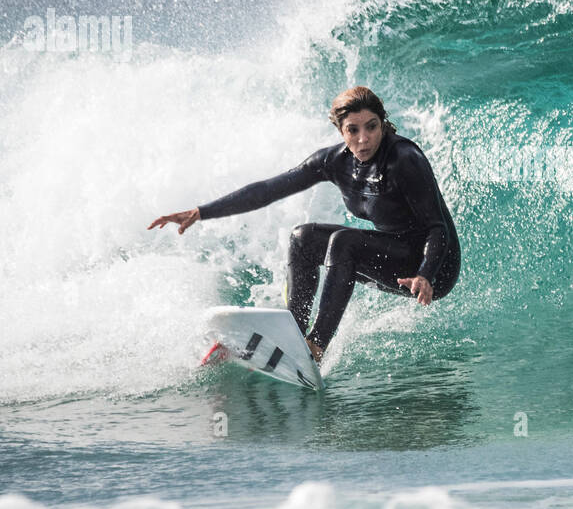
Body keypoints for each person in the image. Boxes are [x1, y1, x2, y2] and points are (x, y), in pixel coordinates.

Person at [148, 86, 460, 365]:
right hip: (395, 253)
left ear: (383, 123)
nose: (363, 139)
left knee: (343, 242)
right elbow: (269, 189)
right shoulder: (334, 162)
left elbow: (437, 227)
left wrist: (426, 274)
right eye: (353, 130)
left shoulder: (404, 159)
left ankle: (315, 347)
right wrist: (202, 212)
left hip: (433, 266)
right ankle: (292, 335)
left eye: (372, 127)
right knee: (303, 237)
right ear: (340, 130)